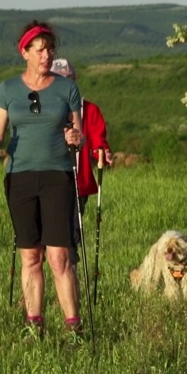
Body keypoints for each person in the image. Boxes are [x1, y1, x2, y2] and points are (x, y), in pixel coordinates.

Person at [0, 21, 85, 342]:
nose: (46, 55)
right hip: (19, 177)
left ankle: (73, 327)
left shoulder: (67, 89)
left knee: (59, 257)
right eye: (39, 50)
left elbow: (78, 137)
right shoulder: (7, 89)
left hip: (57, 176)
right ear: (24, 52)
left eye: (50, 49)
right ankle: (34, 325)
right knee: (30, 255)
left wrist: (75, 138)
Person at [50, 58, 112, 263]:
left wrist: (103, 152)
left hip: (78, 182)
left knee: (71, 235)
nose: (64, 85)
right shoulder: (43, 109)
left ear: (74, 80)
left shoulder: (89, 110)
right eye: (58, 80)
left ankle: (70, 285)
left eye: (67, 80)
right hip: (47, 179)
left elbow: (98, 140)